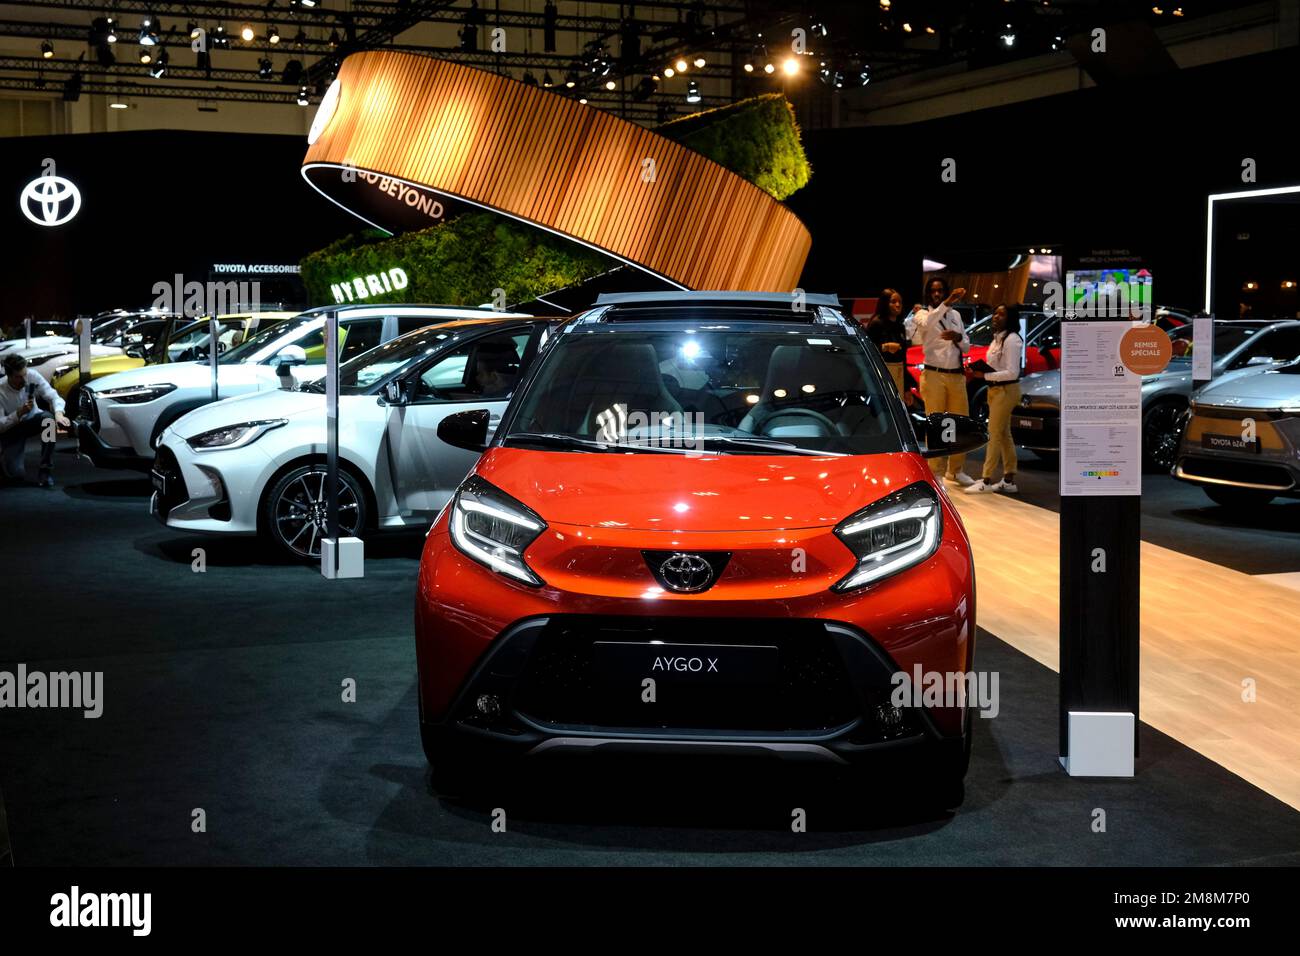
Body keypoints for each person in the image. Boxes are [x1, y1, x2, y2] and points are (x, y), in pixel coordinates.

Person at [912, 277, 974, 485]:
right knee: (936, 424)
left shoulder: (956, 315)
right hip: (934, 374)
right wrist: (947, 302)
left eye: (940, 291)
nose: (937, 294)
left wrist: (958, 338)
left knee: (960, 423)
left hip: (956, 375)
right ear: (928, 294)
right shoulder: (922, 314)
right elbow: (928, 323)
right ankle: (935, 471)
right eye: (933, 291)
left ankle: (956, 470)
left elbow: (967, 346)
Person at [965, 304, 1023, 494]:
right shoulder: (998, 338)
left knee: (994, 434)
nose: (996, 317)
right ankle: (1009, 479)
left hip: (1006, 390)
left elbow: (1012, 372)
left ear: (1010, 318)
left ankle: (986, 480)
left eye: (1002, 314)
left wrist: (984, 375)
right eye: (995, 313)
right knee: (1004, 433)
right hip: (995, 390)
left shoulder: (1012, 340)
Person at [1, 353, 69, 489]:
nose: (24, 380)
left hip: (33, 421)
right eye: (18, 377)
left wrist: (59, 413)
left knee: (48, 421)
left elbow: (53, 396)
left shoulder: (32, 376)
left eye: (24, 374)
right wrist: (18, 413)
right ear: (8, 376)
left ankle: (45, 470)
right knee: (16, 475)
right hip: (11, 428)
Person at [865, 289, 911, 401]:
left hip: (899, 373)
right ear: (885, 303)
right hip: (882, 374)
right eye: (893, 301)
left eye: (900, 302)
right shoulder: (876, 323)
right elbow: (867, 351)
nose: (898, 305)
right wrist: (885, 347)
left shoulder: (900, 326)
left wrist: (907, 388)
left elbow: (904, 359)